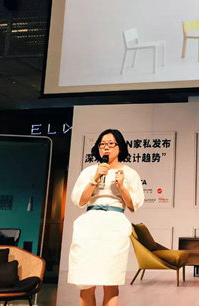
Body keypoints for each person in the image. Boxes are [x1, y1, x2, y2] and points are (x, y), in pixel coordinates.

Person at [68, 129, 144, 306]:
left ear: (120, 147)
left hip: (114, 226)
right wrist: (95, 177)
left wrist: (121, 186)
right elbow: (80, 201)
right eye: (102, 144)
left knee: (111, 281)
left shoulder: (129, 173)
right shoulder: (89, 171)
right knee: (86, 282)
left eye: (111, 144)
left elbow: (132, 206)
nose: (106, 148)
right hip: (89, 225)